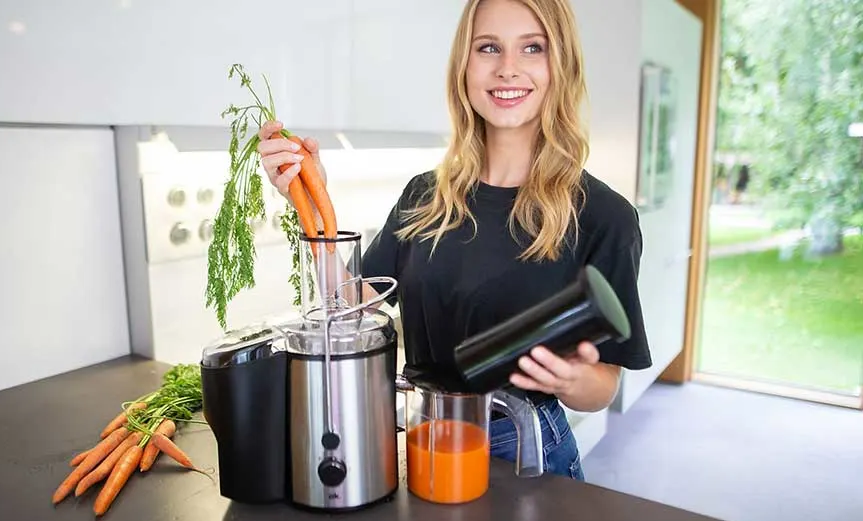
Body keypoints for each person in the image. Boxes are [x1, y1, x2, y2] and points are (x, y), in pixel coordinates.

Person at [256, 0, 651, 481]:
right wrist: (309, 199)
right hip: (425, 434)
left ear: (560, 66)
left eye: (533, 48)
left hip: (525, 447)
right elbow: (349, 307)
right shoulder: (426, 196)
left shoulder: (604, 217)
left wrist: (572, 380)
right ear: (464, 65)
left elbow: (605, 382)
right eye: (488, 47)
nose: (508, 69)